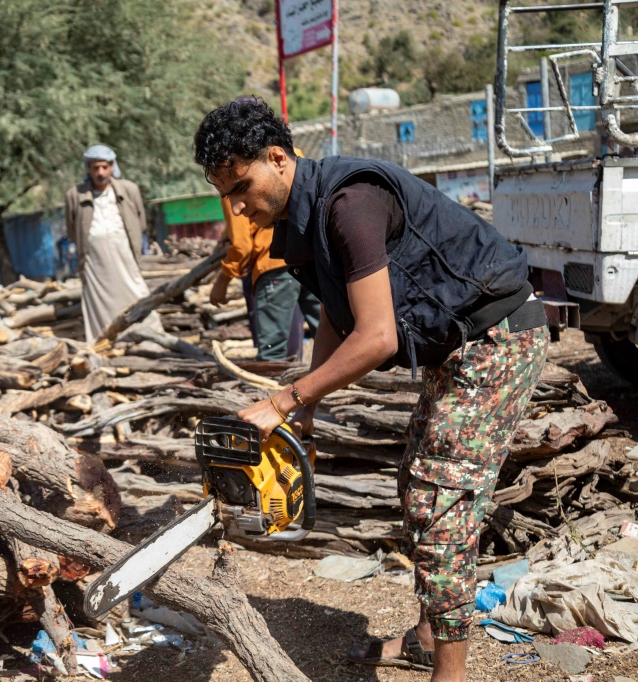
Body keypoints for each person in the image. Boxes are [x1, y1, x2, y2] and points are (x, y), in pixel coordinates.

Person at [193, 97, 548, 682]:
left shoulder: (349, 204)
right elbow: (339, 314)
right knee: (417, 479)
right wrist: (309, 408)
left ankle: (450, 674)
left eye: (241, 185)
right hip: (460, 346)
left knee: (441, 501)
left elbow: (378, 337)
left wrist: (284, 400)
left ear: (278, 158)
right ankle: (430, 638)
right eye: (223, 193)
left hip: (498, 337)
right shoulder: (299, 222)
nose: (235, 205)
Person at [65, 145, 162, 344]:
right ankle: (105, 343)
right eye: (95, 168)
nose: (100, 173)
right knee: (99, 302)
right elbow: (72, 229)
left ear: (112, 166)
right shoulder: (75, 195)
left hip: (125, 255)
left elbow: (140, 221)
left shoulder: (128, 189)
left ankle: (149, 337)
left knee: (135, 291)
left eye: (104, 167)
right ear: (88, 169)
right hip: (94, 261)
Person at [210, 194, 320, 361]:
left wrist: (222, 281)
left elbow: (241, 246)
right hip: (308, 261)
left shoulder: (232, 192)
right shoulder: (277, 177)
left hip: (274, 269)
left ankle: (271, 384)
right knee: (330, 333)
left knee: (272, 350)